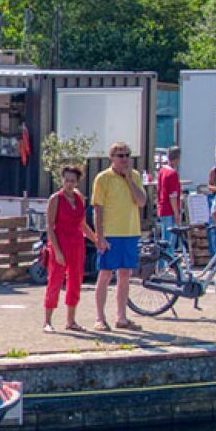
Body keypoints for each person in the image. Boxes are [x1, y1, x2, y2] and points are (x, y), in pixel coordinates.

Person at [91, 141, 148, 331]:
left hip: (130, 231)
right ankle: (99, 317)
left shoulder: (135, 176)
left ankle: (121, 317)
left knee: (125, 274)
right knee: (105, 274)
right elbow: (97, 208)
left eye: (127, 155)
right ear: (112, 158)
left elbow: (141, 202)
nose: (124, 159)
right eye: (120, 155)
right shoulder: (102, 178)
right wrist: (99, 236)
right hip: (111, 233)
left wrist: (129, 180)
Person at [43, 165, 94, 333]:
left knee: (75, 280)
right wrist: (56, 251)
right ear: (62, 179)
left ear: (77, 182)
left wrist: (96, 239)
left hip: (77, 243)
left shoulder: (79, 197)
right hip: (60, 242)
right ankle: (47, 321)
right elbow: (50, 227)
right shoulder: (55, 199)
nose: (69, 183)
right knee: (55, 281)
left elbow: (82, 224)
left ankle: (71, 320)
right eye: (66, 180)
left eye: (72, 180)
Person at [156, 146, 183, 245]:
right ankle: (168, 260)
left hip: (162, 208)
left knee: (164, 239)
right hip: (169, 210)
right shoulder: (173, 173)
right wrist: (177, 214)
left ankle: (162, 260)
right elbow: (173, 196)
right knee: (170, 242)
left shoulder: (162, 170)